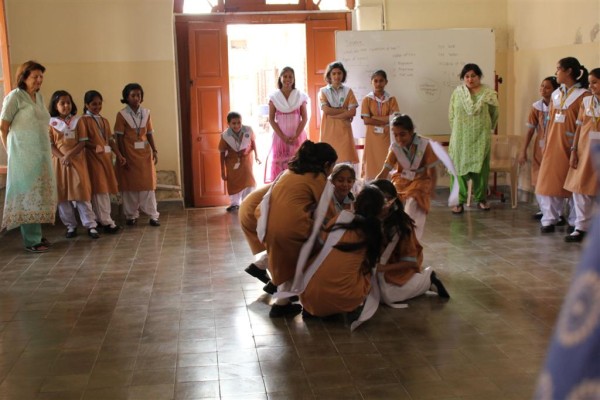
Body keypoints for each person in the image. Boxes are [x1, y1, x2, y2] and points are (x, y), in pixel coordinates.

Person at [257, 140, 337, 317]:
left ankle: (282, 301)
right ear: (326, 165)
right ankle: (304, 301)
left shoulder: (289, 173)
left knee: (291, 262)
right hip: (293, 231)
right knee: (320, 251)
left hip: (269, 229)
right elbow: (330, 215)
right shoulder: (318, 178)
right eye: (333, 167)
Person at [300, 186, 384, 318]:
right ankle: (347, 304)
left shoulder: (341, 216)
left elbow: (322, 242)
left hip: (307, 294)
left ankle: (324, 303)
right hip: (340, 298)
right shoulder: (373, 231)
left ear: (356, 202)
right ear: (380, 209)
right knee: (367, 270)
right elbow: (371, 263)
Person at [0, 61, 56, 252]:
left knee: (39, 192)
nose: (39, 80)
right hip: (22, 154)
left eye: (41, 76)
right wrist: (10, 152)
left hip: (41, 152)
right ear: (23, 77)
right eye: (35, 76)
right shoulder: (15, 97)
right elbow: (3, 127)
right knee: (28, 194)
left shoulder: (39, 97)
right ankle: (31, 240)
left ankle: (38, 235)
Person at [372, 179, 449, 303]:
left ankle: (426, 280)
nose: (382, 204)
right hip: (379, 264)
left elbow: (410, 262)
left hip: (396, 266)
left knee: (385, 296)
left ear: (393, 201)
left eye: (386, 200)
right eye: (377, 200)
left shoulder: (402, 226)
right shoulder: (369, 216)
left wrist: (382, 268)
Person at [536, 57, 590, 233]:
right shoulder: (556, 94)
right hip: (554, 143)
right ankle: (550, 217)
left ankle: (576, 220)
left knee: (574, 183)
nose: (556, 72)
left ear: (568, 71)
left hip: (575, 145)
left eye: (558, 69)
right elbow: (549, 120)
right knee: (550, 181)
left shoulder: (584, 95)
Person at [375, 114, 438, 240]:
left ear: (411, 132)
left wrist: (432, 188)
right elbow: (385, 171)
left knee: (413, 202)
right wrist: (372, 187)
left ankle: (412, 240)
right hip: (401, 181)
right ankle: (397, 237)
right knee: (393, 204)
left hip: (421, 180)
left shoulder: (424, 144)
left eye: (402, 134)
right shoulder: (394, 148)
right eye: (395, 135)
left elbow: (432, 171)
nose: (399, 139)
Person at [448, 63, 499, 214]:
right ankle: (459, 201)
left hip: (480, 136)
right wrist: (458, 130)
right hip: (461, 138)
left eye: (473, 76)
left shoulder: (489, 94)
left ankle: (481, 199)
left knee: (480, 170)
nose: (470, 79)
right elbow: (451, 114)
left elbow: (494, 113)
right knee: (458, 169)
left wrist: (484, 128)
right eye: (467, 76)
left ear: (479, 77)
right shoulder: (458, 93)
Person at [48, 90, 100, 239]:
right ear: (55, 106)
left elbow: (83, 142)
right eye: (62, 103)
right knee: (63, 197)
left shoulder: (79, 121)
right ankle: (71, 226)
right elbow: (50, 144)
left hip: (76, 161)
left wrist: (69, 155)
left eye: (68, 102)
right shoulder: (51, 123)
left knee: (81, 194)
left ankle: (91, 225)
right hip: (60, 164)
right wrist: (63, 157)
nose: (66, 105)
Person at [114, 83, 160, 227]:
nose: (136, 98)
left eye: (138, 95)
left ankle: (153, 215)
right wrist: (122, 155)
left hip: (144, 154)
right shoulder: (122, 115)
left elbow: (150, 133)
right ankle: (131, 215)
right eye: (133, 95)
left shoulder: (146, 113)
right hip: (129, 154)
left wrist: (155, 150)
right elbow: (119, 137)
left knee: (148, 186)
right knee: (130, 187)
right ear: (126, 97)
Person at [563, 68, 600, 243]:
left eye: (595, 82)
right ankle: (581, 227)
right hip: (585, 151)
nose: (591, 86)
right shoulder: (586, 102)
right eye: (590, 82)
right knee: (580, 189)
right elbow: (579, 128)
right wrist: (573, 151)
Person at [81, 90, 125, 234]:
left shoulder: (104, 120)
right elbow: (82, 142)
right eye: (94, 104)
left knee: (105, 189)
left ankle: (102, 219)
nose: (97, 107)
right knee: (100, 190)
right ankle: (106, 221)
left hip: (105, 159)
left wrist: (118, 154)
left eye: (99, 104)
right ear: (86, 104)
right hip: (93, 159)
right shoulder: (83, 121)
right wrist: (95, 147)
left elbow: (110, 140)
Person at [519, 77, 560, 220]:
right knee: (538, 178)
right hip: (540, 148)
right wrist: (523, 150)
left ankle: (557, 213)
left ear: (555, 90)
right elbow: (530, 131)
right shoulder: (537, 107)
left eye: (547, 87)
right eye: (541, 86)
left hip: (556, 147)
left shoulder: (560, 106)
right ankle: (544, 209)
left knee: (554, 179)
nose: (543, 89)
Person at [266, 66, 308, 182]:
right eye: (285, 76)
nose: (287, 79)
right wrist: (283, 137)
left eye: (290, 77)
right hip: (280, 138)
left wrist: (296, 135)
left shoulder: (300, 96)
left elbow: (304, 118)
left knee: (297, 165)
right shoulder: (274, 97)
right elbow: (271, 119)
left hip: (297, 136)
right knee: (281, 168)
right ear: (280, 78)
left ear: (294, 79)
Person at [360, 70, 399, 181]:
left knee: (387, 158)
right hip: (372, 138)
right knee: (372, 162)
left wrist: (374, 118)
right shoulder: (367, 100)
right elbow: (366, 120)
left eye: (381, 81)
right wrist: (385, 120)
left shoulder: (391, 99)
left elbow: (395, 118)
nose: (378, 84)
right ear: (371, 82)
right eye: (375, 81)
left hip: (387, 136)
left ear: (386, 82)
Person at [319, 61, 359, 164]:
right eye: (334, 73)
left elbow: (352, 112)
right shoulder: (323, 91)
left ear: (343, 74)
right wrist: (344, 110)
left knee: (345, 161)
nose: (337, 76)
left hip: (344, 130)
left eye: (339, 73)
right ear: (329, 75)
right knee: (328, 160)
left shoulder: (348, 91)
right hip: (328, 129)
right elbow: (326, 110)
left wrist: (335, 115)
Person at [219, 111, 260, 212]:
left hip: (246, 160)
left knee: (248, 180)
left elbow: (253, 142)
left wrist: (257, 156)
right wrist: (222, 171)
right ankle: (235, 204)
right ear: (228, 123)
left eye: (239, 122)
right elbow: (222, 152)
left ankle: (247, 201)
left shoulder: (248, 130)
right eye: (233, 123)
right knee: (233, 181)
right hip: (232, 162)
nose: (237, 125)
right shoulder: (225, 136)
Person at [240, 184, 272, 285]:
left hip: (248, 208)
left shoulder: (293, 174)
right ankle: (279, 284)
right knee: (292, 240)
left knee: (279, 245)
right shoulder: (312, 179)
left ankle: (260, 267)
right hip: (254, 210)